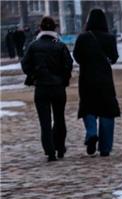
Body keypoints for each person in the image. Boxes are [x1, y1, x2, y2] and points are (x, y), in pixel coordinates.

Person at [20, 17, 72, 162]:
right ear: (55, 29)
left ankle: (50, 151)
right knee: (59, 118)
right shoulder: (60, 45)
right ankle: (60, 147)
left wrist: (34, 75)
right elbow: (68, 64)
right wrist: (63, 79)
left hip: (41, 87)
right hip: (58, 87)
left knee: (45, 121)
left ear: (41, 28)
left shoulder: (33, 45)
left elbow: (25, 64)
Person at [72, 8, 120, 157]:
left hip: (87, 77)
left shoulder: (83, 37)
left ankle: (91, 132)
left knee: (88, 107)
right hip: (104, 78)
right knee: (107, 110)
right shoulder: (109, 38)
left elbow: (76, 56)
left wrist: (87, 62)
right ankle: (105, 148)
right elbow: (114, 57)